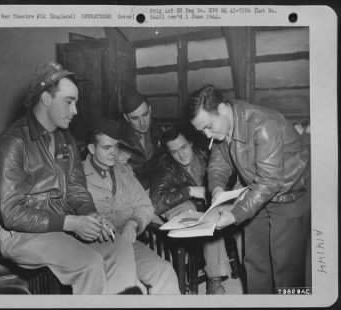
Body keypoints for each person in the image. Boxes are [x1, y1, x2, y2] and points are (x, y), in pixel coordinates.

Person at [0, 61, 140, 294]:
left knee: (119, 246)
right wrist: (71, 223)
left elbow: (77, 189)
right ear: (46, 99)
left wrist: (91, 215)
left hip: (60, 225)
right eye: (69, 102)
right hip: (20, 234)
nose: (76, 110)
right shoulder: (10, 143)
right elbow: (11, 214)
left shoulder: (66, 139)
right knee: (88, 263)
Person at [185, 85, 311, 294]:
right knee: (255, 262)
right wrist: (217, 189)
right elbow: (218, 165)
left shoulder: (263, 125)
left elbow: (269, 182)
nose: (207, 135)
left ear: (224, 109)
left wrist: (234, 214)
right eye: (202, 131)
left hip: (290, 195)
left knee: (286, 269)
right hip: (255, 194)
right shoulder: (221, 128)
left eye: (208, 126)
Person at [84, 120, 181, 294]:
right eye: (107, 148)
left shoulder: (124, 171)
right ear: (92, 149)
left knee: (164, 272)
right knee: (132, 289)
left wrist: (134, 223)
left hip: (129, 242)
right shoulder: (78, 177)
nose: (114, 153)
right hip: (96, 249)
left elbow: (145, 206)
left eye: (116, 146)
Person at [150, 126, 241, 294]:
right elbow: (155, 203)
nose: (181, 154)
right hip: (188, 210)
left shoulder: (206, 155)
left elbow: (228, 175)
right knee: (201, 217)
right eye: (175, 151)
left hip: (211, 207)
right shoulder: (166, 166)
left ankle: (224, 277)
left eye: (184, 147)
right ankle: (214, 279)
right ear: (169, 153)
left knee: (224, 216)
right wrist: (189, 191)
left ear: (190, 143)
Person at [118, 93, 164, 189]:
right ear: (126, 118)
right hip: (131, 192)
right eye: (135, 118)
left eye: (145, 115)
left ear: (150, 110)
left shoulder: (161, 134)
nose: (142, 123)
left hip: (158, 189)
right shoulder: (117, 139)